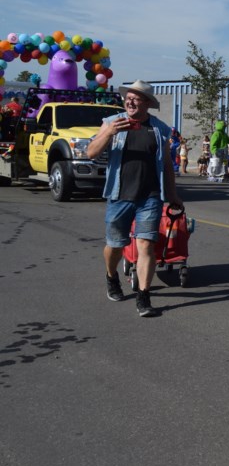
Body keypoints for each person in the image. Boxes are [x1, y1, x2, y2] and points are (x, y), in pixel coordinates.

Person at [86, 80, 182, 318]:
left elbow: (167, 167)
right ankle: (112, 276)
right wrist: (108, 133)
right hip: (119, 196)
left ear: (147, 103)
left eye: (136, 98)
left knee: (146, 245)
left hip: (150, 197)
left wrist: (173, 196)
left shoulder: (160, 129)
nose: (129, 101)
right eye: (127, 98)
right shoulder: (111, 123)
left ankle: (143, 296)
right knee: (116, 245)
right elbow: (91, 152)